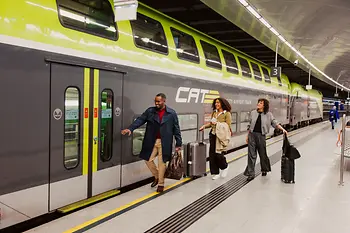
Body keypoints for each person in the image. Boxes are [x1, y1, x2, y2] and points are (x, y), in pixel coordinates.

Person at [121, 93, 182, 193]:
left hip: (165, 142)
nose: (156, 103)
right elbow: (140, 120)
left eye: (158, 101)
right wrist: (130, 129)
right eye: (155, 101)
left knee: (162, 163)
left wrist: (178, 144)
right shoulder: (150, 111)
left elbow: (176, 129)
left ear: (164, 101)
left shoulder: (171, 113)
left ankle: (161, 184)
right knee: (148, 159)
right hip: (152, 140)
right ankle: (157, 176)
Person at [244, 98, 288, 181]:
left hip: (261, 136)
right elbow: (250, 125)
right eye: (258, 102)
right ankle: (251, 174)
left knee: (262, 154)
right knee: (251, 155)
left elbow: (275, 123)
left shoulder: (269, 114)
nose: (258, 104)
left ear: (264, 105)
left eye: (261, 103)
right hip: (252, 135)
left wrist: (283, 129)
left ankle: (264, 169)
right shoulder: (253, 113)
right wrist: (247, 136)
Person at [199, 98, 232, 180]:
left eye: (218, 102)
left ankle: (225, 166)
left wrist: (217, 123)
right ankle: (215, 172)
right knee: (212, 155)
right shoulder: (214, 112)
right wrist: (204, 126)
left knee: (219, 154)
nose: (216, 104)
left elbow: (227, 126)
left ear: (222, 104)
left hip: (220, 136)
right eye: (215, 103)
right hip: (213, 135)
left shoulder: (227, 114)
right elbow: (211, 123)